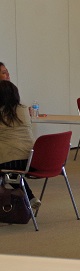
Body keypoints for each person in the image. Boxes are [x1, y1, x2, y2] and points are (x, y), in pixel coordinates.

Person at [0, 80, 40, 210]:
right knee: (11, 172)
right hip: (31, 159)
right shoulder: (23, 110)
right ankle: (30, 197)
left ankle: (9, 202)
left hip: (9, 160)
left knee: (6, 169)